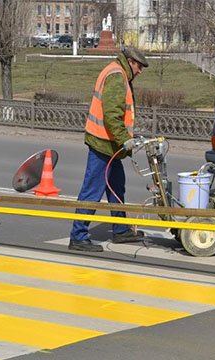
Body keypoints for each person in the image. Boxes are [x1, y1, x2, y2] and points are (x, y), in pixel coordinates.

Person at [68, 46, 149, 252]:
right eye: (139, 67)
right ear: (130, 61)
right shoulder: (116, 76)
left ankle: (120, 230)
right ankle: (78, 236)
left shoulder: (118, 72)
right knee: (92, 191)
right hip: (102, 144)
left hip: (109, 146)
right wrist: (124, 139)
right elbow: (112, 113)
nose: (139, 71)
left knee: (117, 187)